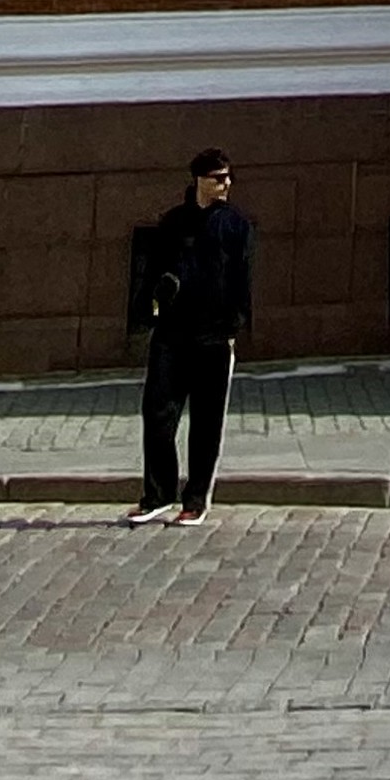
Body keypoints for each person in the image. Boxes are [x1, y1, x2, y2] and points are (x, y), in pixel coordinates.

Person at [131, 147, 253, 525]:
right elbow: (152, 272)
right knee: (158, 413)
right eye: (218, 177)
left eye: (229, 177)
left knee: (206, 421)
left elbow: (242, 279)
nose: (226, 183)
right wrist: (151, 306)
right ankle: (158, 494)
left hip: (214, 338)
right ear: (199, 179)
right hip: (171, 334)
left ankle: (195, 501)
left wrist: (234, 326)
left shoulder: (235, 225)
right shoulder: (173, 222)